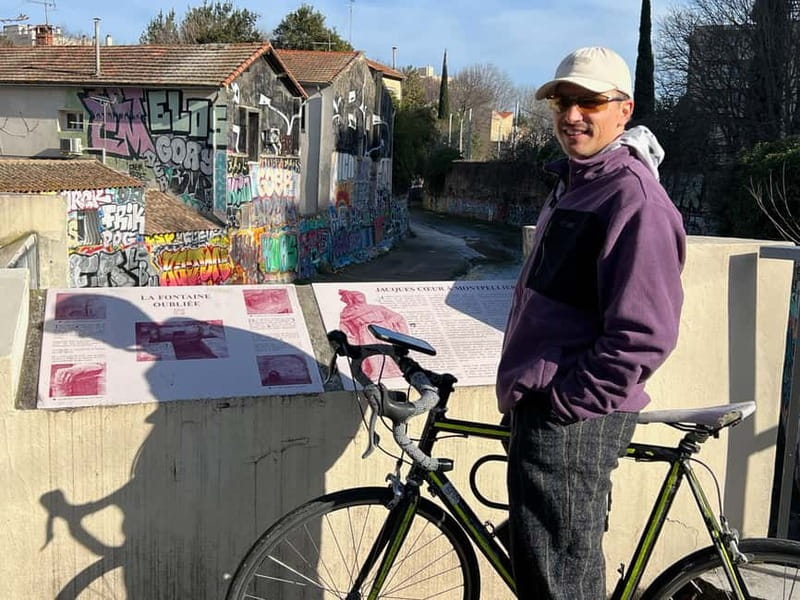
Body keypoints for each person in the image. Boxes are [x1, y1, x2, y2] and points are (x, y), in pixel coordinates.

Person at [496, 47, 686, 599]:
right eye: (562, 101)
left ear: (624, 110)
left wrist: (564, 403)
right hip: (550, 407)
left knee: (562, 584)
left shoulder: (634, 198)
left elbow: (644, 334)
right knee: (546, 571)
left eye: (589, 102)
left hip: (572, 417)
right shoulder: (577, 183)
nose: (572, 115)